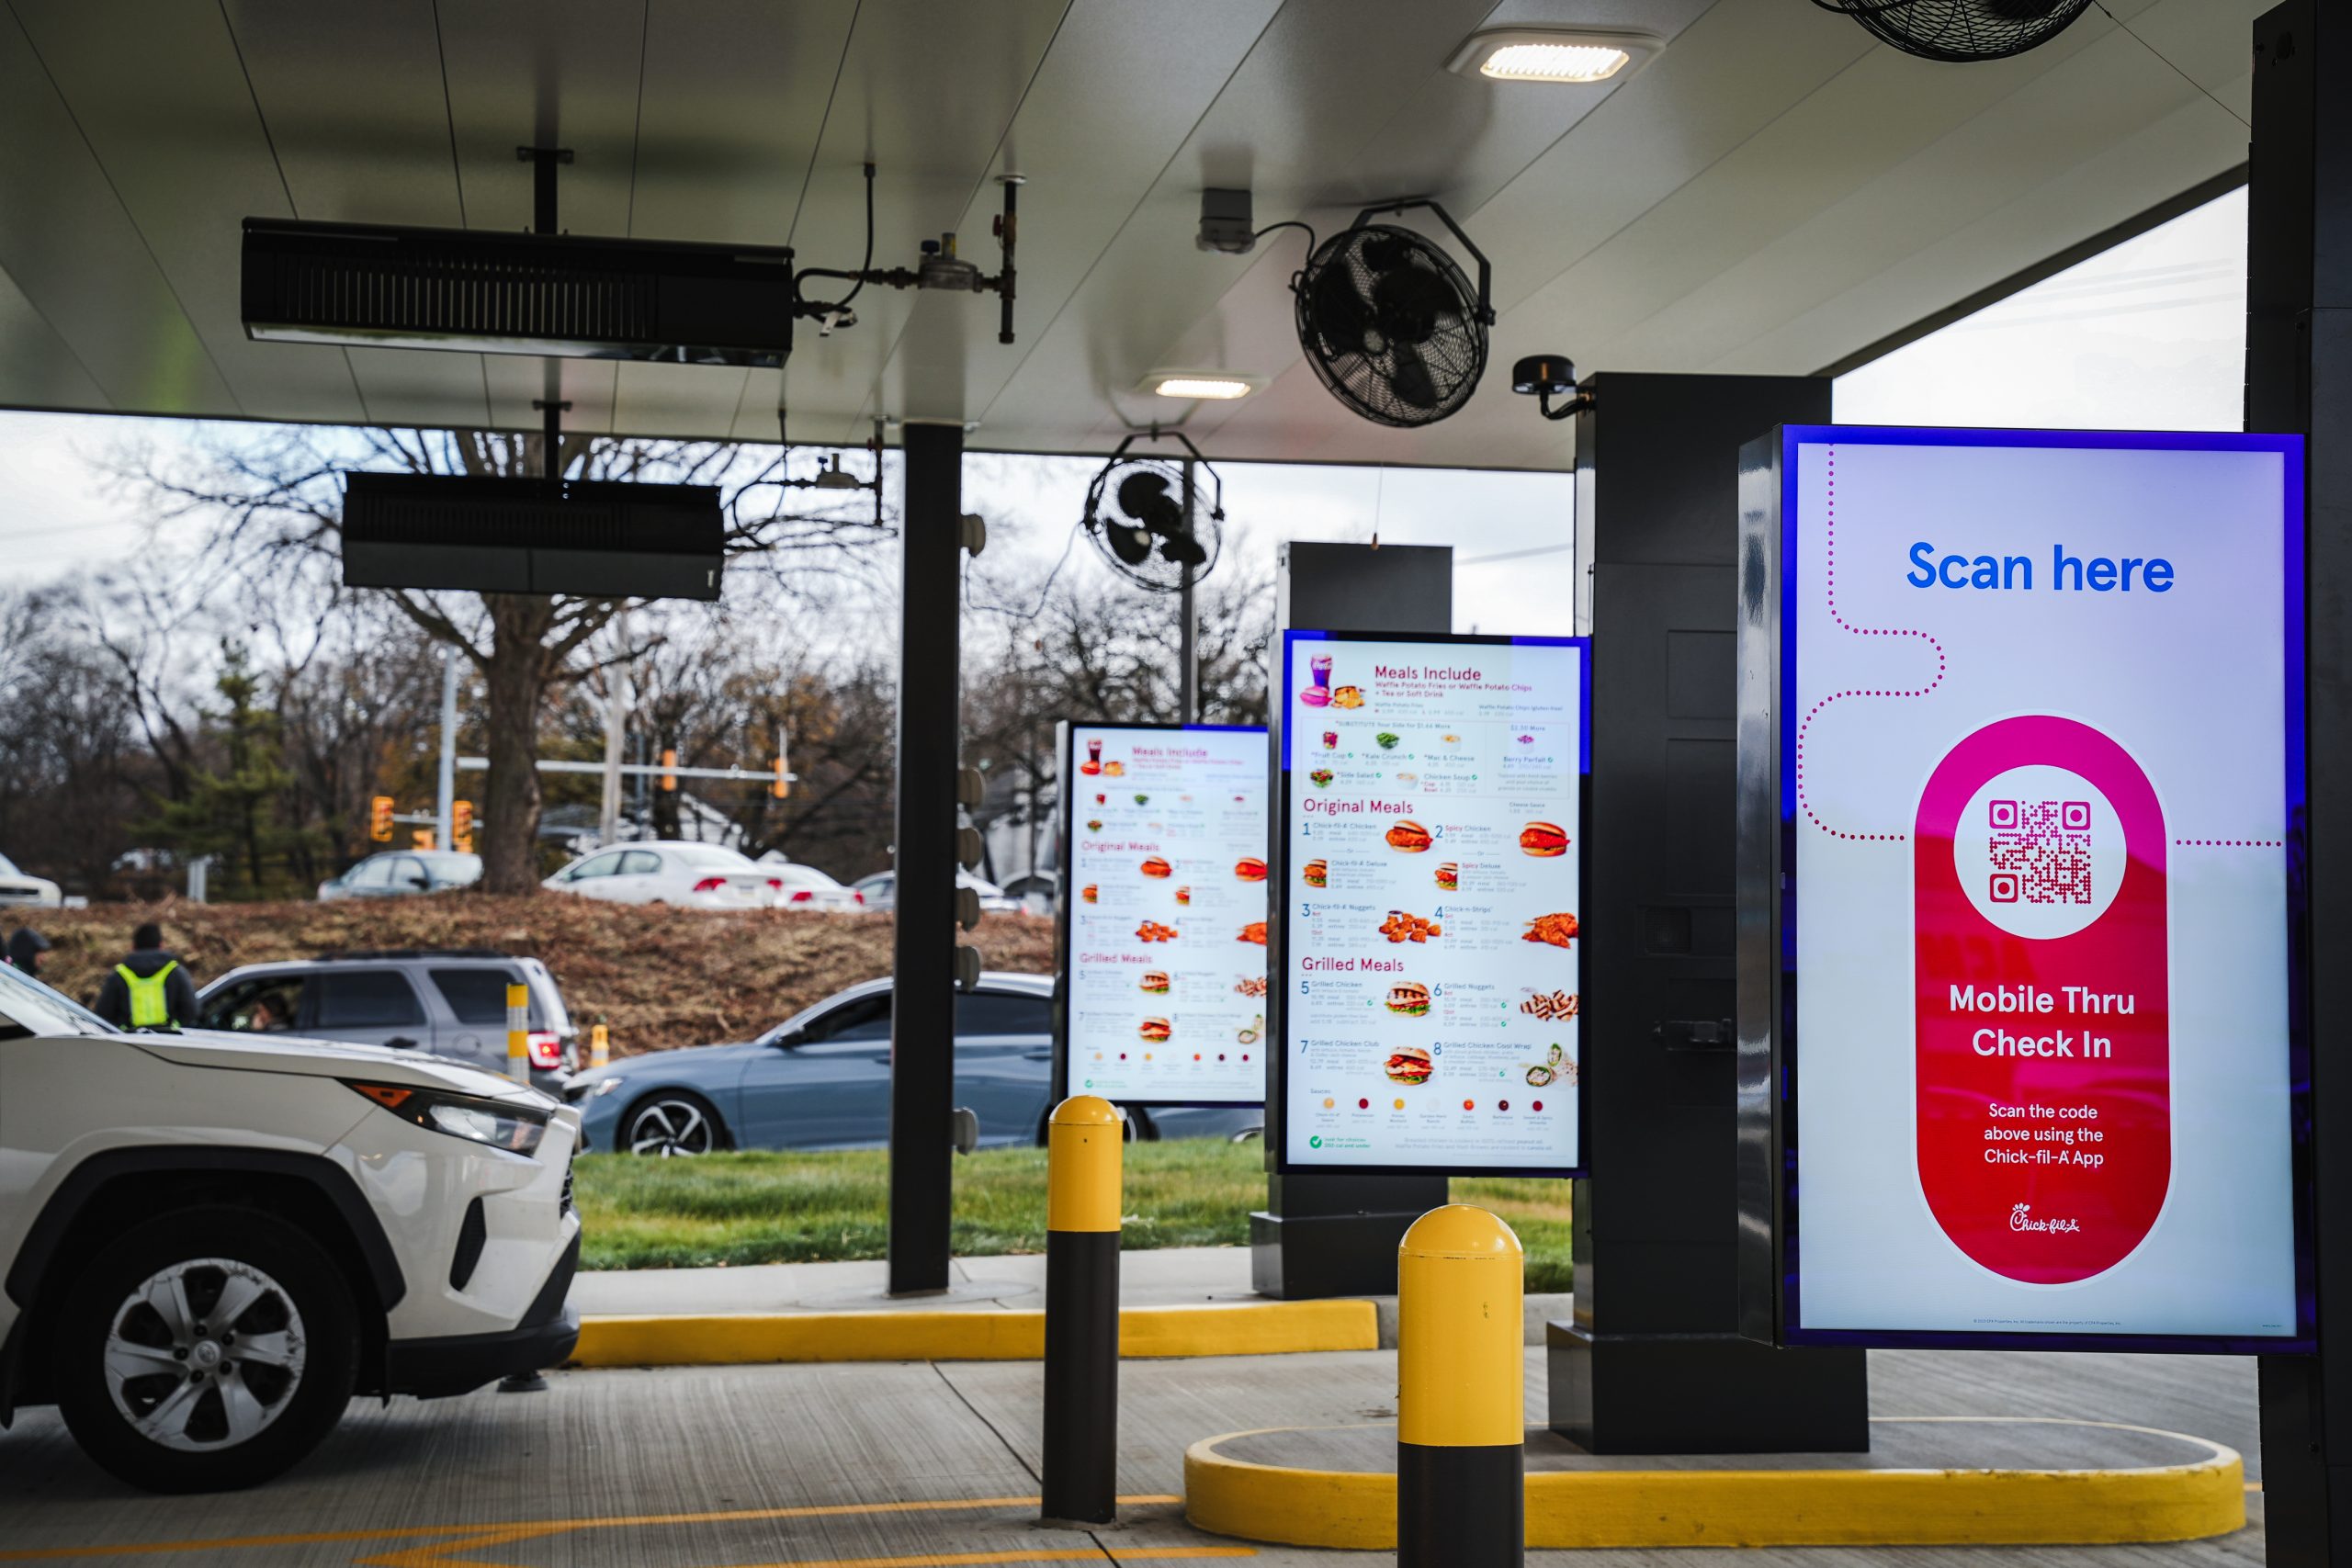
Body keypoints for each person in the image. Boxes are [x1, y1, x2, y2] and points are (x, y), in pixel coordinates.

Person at [94, 922, 199, 1032]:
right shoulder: (175, 972)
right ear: (161, 945)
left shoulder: (119, 975)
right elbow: (191, 1011)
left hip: (129, 1041)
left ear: (133, 946)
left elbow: (103, 1014)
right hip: (169, 1041)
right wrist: (173, 1027)